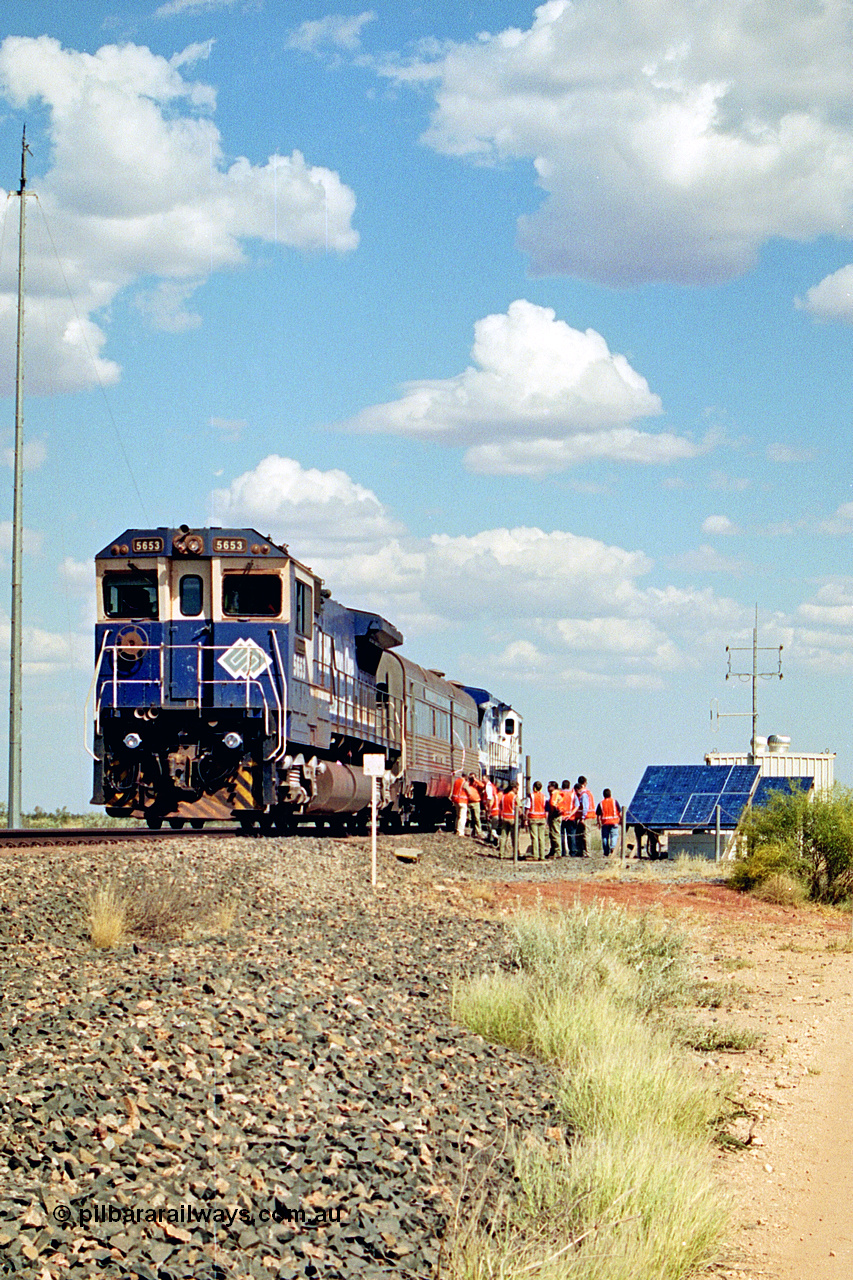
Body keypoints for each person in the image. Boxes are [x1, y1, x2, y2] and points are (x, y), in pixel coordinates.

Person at [524, 780, 547, 861]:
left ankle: (535, 855)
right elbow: (546, 808)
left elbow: (527, 808)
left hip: (533, 818)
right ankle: (542, 856)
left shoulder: (531, 796)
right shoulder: (544, 796)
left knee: (534, 837)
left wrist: (525, 819)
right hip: (542, 818)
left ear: (534, 787)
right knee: (541, 838)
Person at [572, 777, 595, 857]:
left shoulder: (584, 794)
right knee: (581, 834)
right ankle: (581, 851)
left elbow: (585, 807)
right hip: (585, 816)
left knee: (586, 834)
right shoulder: (586, 792)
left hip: (586, 817)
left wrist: (583, 817)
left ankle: (587, 852)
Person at [596, 789, 621, 857]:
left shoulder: (601, 803)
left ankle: (606, 852)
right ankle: (613, 848)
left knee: (605, 837)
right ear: (610, 794)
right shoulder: (614, 802)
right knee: (614, 836)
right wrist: (621, 820)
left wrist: (598, 823)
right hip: (614, 822)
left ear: (603, 795)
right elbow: (620, 812)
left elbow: (598, 815)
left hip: (605, 823)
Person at [498, 782, 518, 859]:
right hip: (513, 819)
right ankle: (515, 854)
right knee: (514, 837)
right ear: (513, 788)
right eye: (517, 788)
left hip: (505, 818)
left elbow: (500, 807)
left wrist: (500, 818)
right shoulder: (515, 797)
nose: (517, 790)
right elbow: (519, 809)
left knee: (503, 837)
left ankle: (501, 854)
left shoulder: (503, 797)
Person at [560, 779, 577, 856]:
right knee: (571, 835)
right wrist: (570, 814)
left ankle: (562, 852)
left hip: (561, 817)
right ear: (569, 786)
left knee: (561, 835)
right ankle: (572, 852)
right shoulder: (573, 794)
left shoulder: (559, 794)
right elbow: (577, 806)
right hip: (570, 818)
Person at [467, 773, 485, 839]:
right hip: (469, 802)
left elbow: (483, 786)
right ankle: (472, 832)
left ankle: (479, 832)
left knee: (477, 818)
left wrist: (475, 780)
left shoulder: (476, 784)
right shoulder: (468, 784)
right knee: (470, 818)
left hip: (476, 802)